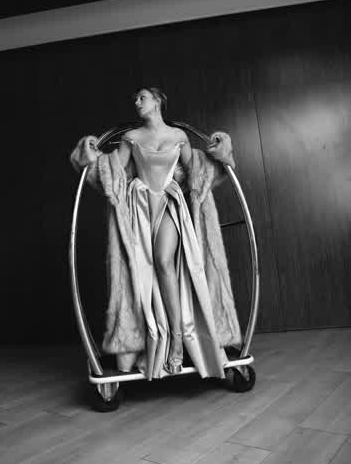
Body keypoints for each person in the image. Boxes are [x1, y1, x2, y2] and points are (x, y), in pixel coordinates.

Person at [70, 87, 241, 380]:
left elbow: (196, 170)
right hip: (139, 209)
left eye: (142, 97)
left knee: (163, 262)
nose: (137, 102)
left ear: (158, 101)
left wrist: (220, 152)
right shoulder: (131, 137)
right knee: (144, 272)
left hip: (169, 204)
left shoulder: (179, 136)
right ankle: (154, 338)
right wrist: (89, 154)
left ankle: (177, 340)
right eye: (135, 99)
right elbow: (113, 169)